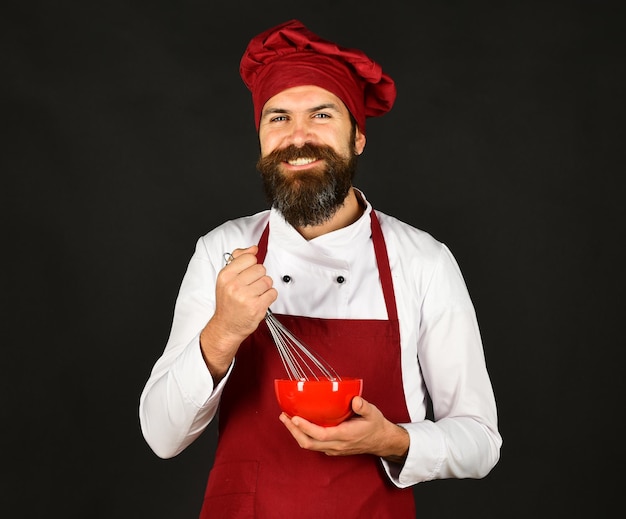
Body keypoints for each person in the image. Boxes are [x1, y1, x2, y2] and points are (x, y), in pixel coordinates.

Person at [139, 19, 502, 519]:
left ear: (358, 137)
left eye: (321, 114)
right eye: (279, 118)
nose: (298, 137)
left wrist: (393, 440)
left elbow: (481, 442)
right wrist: (222, 332)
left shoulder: (422, 261)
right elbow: (162, 437)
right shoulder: (224, 251)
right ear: (262, 137)